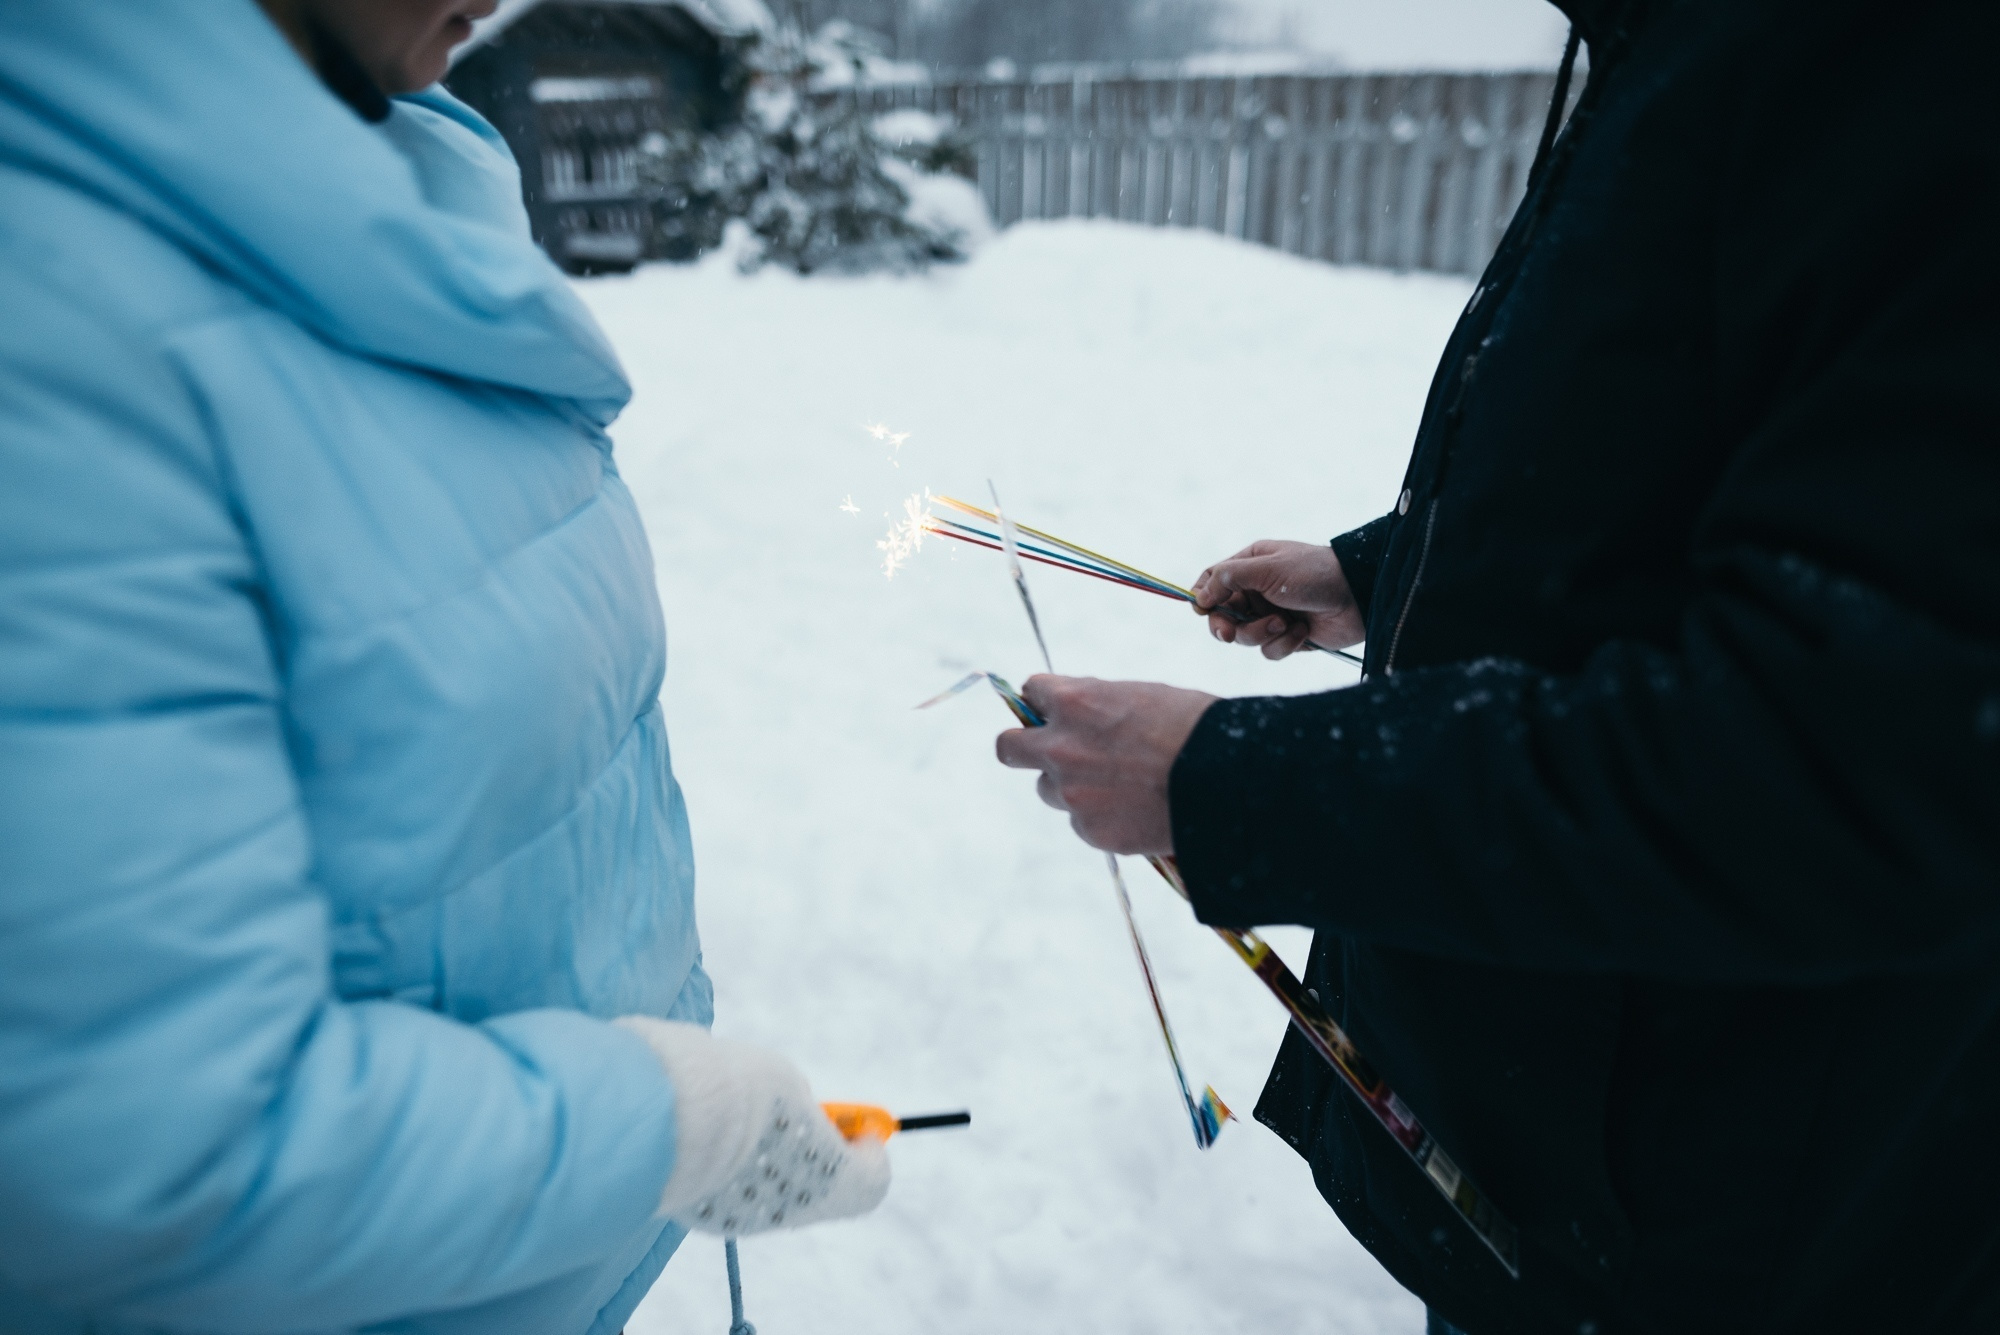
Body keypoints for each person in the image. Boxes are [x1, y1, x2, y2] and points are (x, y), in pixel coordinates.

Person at [995, 1, 2000, 1331]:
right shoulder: (1680, 46)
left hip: (1725, 1245)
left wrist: (1228, 786)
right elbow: (1658, 474)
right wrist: (1383, 572)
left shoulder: (1901, 67)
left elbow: (1840, 750)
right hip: (1552, 1188)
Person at [0, 3, 885, 1331]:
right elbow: (148, 1160)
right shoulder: (57, 328)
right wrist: (671, 1130)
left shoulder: (401, 194)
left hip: (523, 1275)